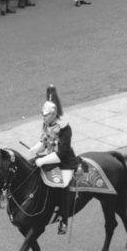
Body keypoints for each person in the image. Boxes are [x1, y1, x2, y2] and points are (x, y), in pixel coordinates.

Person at [27, 85, 77, 233]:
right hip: (49, 157)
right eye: (43, 115)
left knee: (62, 186)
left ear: (54, 114)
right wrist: (36, 148)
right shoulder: (46, 125)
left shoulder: (64, 128)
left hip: (65, 163)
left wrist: (42, 160)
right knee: (30, 167)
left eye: (46, 115)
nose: (43, 117)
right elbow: (44, 141)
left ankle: (63, 220)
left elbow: (61, 153)